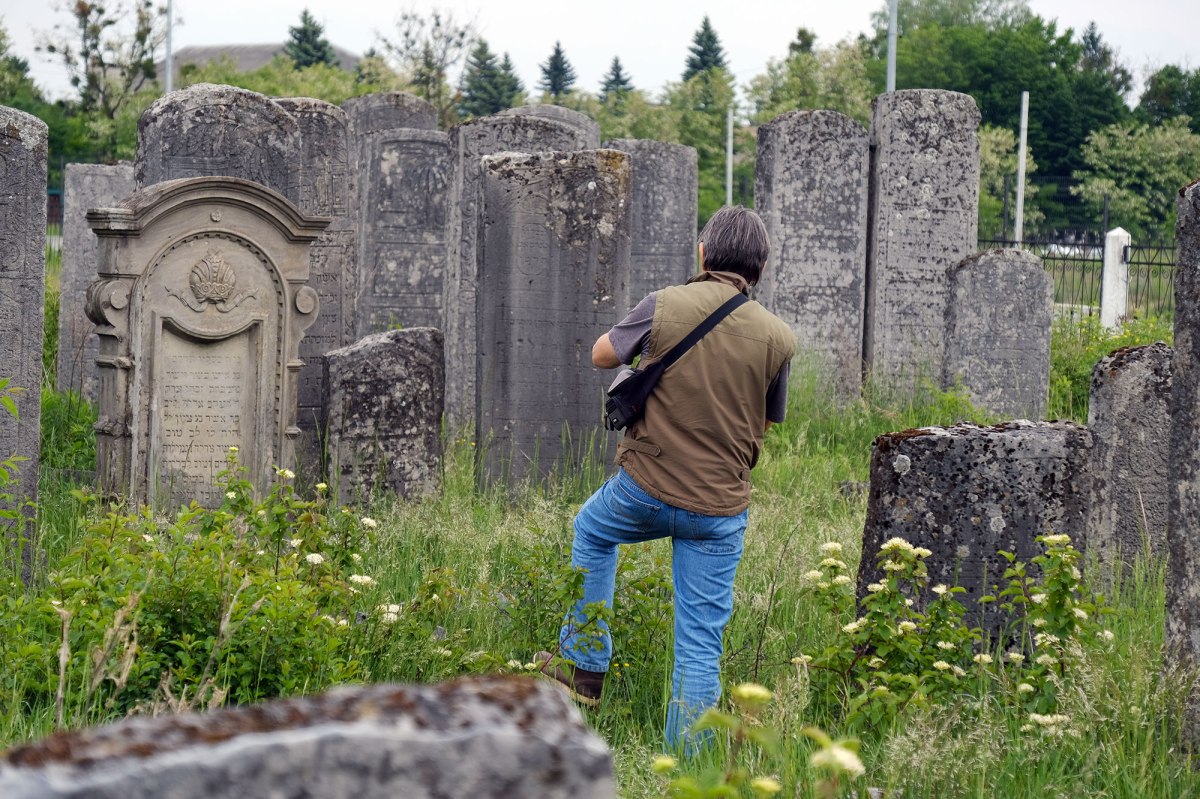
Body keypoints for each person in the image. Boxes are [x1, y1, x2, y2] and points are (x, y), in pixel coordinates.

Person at [536, 205, 796, 751]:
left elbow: (602, 354)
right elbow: (767, 423)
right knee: (700, 645)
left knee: (593, 529)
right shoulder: (778, 336)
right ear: (761, 266)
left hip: (645, 487)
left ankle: (583, 667)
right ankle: (687, 767)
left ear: (703, 253)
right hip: (721, 507)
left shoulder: (666, 304)